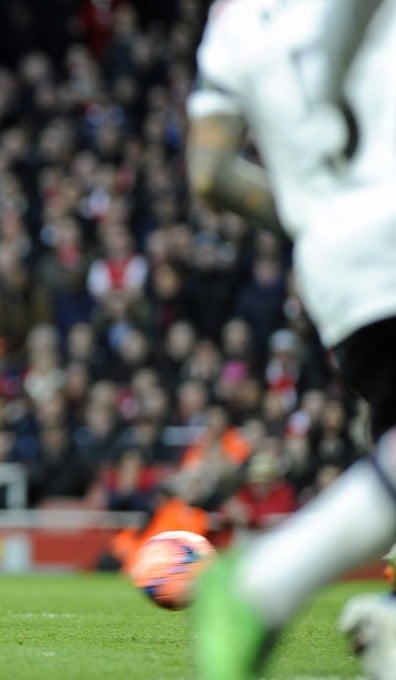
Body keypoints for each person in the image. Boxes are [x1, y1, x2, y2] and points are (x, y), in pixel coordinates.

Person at [186, 1, 396, 678]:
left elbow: (209, 174)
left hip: (337, 272)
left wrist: (321, 221)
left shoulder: (230, 24)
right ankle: (268, 582)